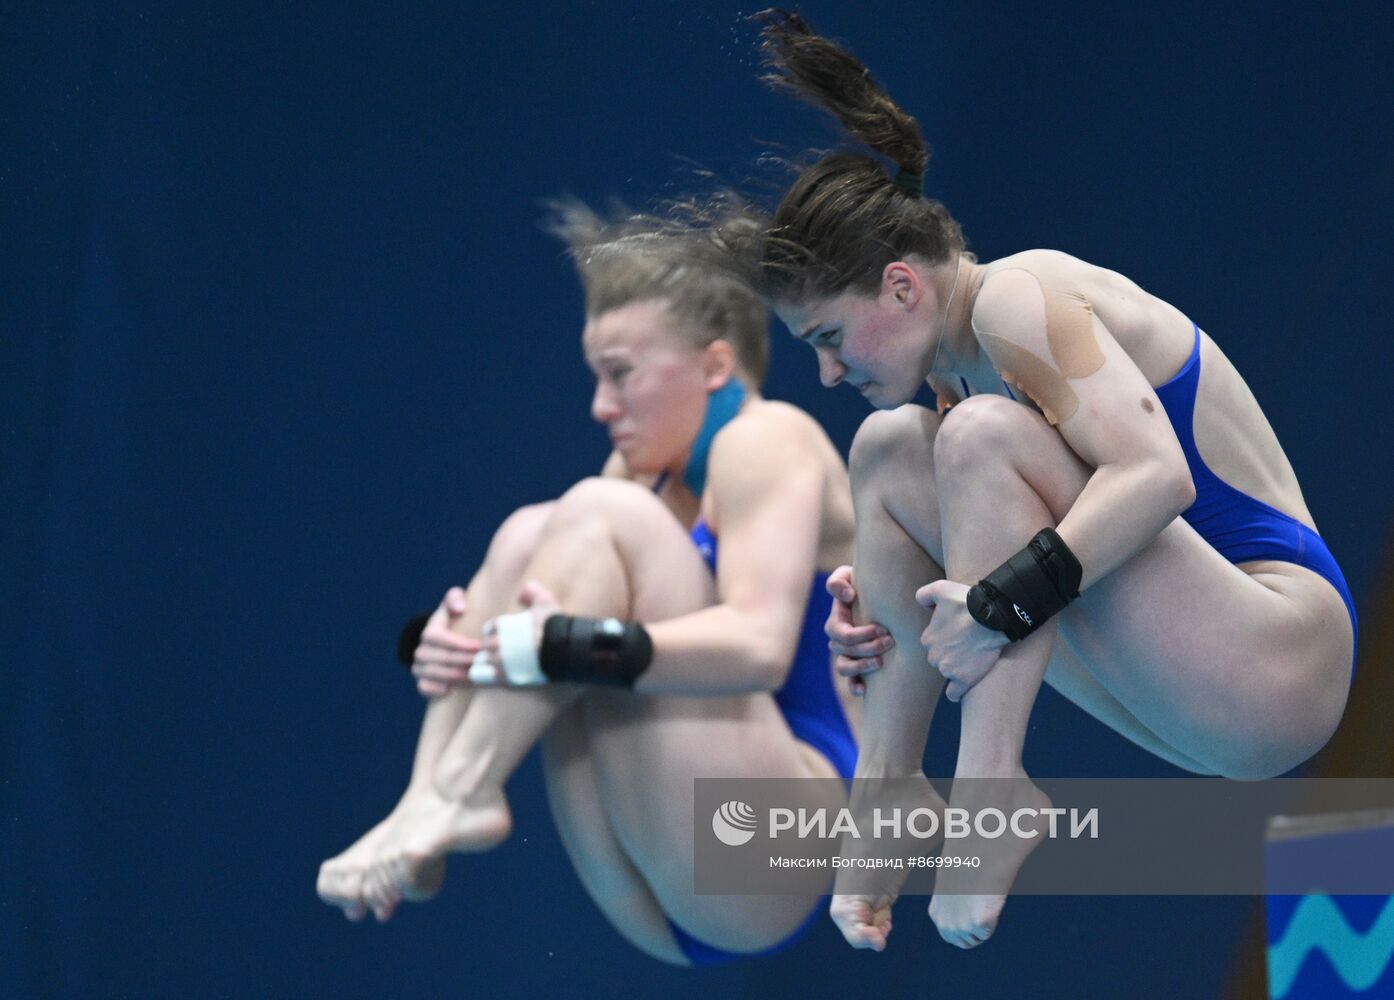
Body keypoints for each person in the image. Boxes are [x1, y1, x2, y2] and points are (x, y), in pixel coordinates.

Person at [742, 9, 1357, 952]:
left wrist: (988, 607)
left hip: (1280, 659)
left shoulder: (1017, 299)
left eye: (828, 338)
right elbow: (992, 563)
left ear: (903, 287)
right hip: (1184, 688)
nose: (827, 373)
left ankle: (989, 797)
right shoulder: (942, 389)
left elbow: (1156, 478)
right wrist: (892, 605)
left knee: (979, 439)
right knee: (888, 451)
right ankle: (891, 784)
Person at [315, 201, 861, 966]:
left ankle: (457, 789)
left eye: (622, 375)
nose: (601, 406)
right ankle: (428, 802)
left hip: (790, 844)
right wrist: (460, 647)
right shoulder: (639, 480)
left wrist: (570, 643)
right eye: (596, 377)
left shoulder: (768, 442)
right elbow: (557, 619)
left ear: (713, 364)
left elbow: (763, 646)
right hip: (669, 878)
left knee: (599, 517)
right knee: (532, 532)